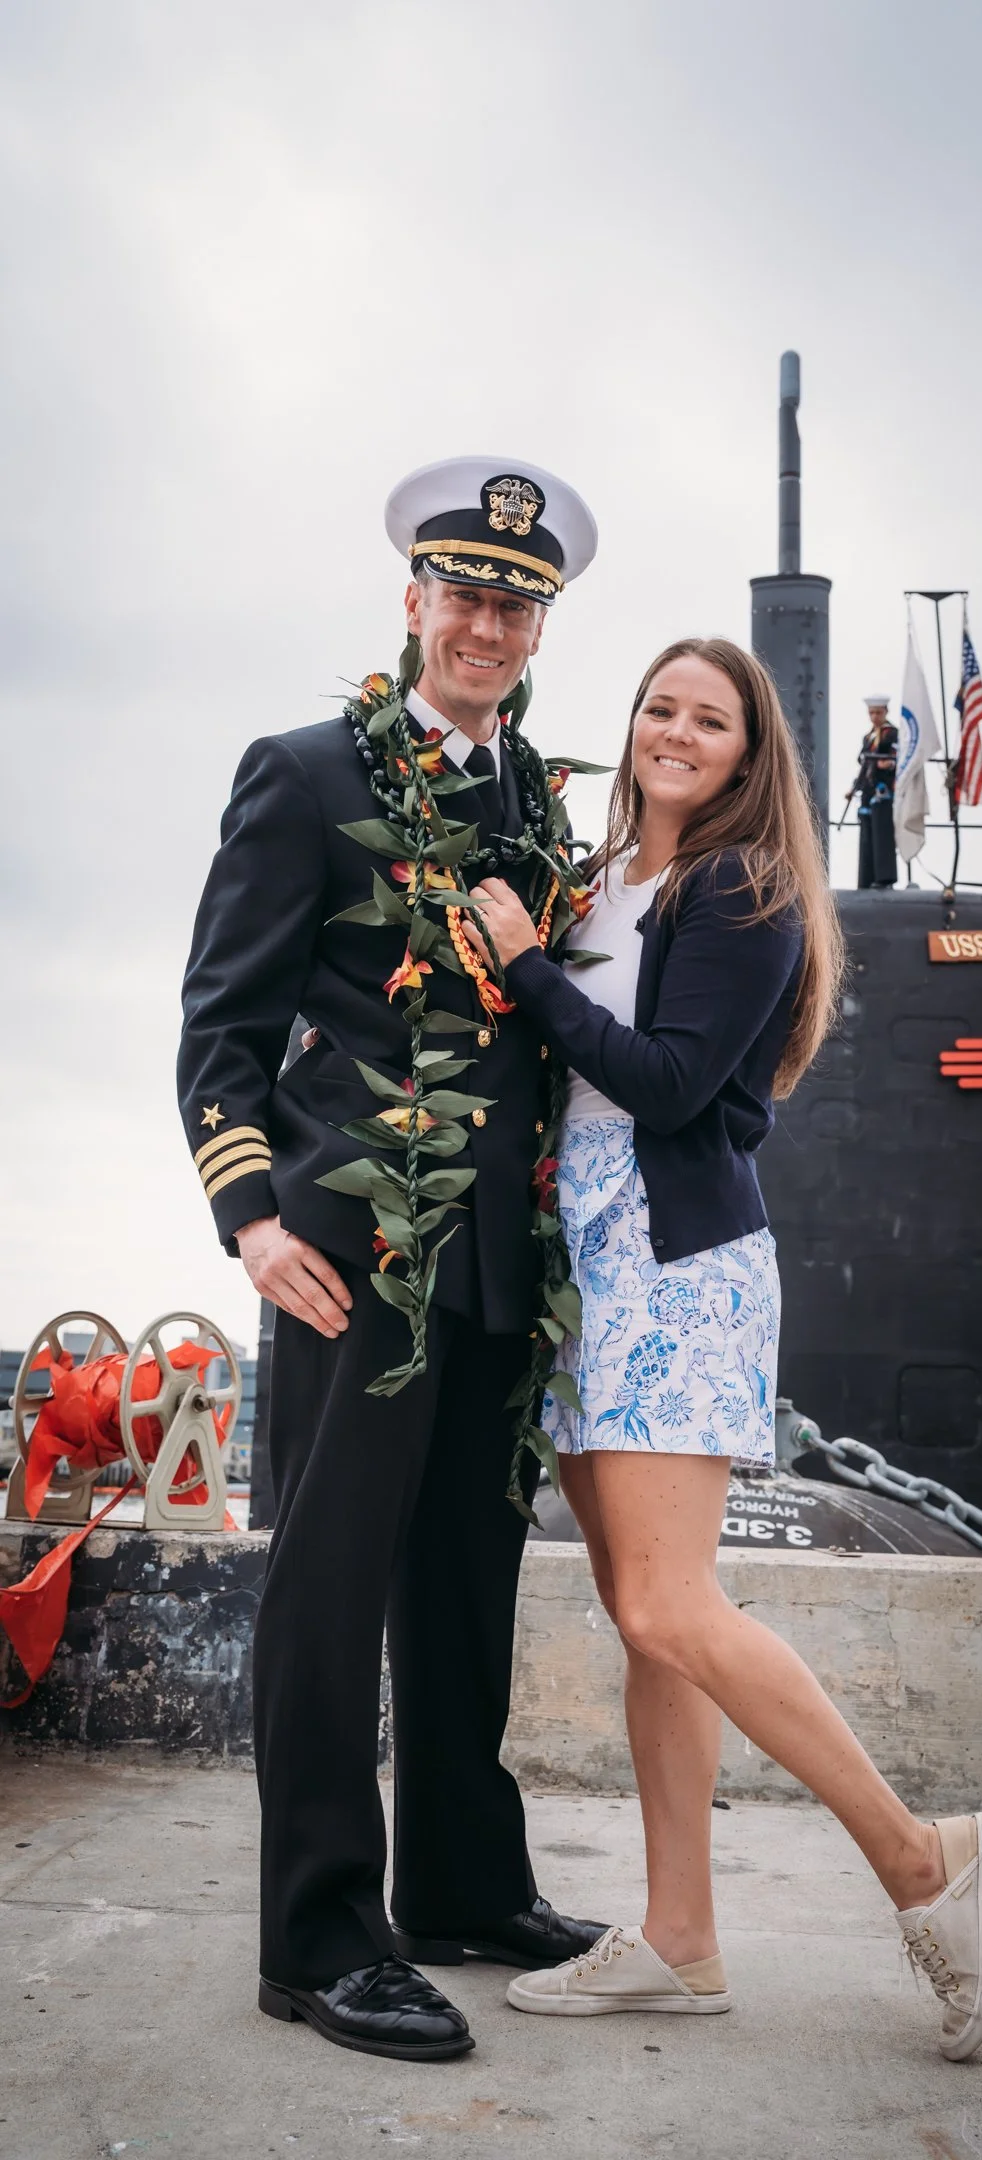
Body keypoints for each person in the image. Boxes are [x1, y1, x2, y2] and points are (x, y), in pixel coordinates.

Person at [463, 637, 982, 2060]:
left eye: (711, 719)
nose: (678, 733)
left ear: (751, 754)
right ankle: (682, 1939)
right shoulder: (605, 882)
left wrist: (524, 966)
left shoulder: (745, 889)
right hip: (587, 1258)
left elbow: (667, 1080)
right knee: (651, 1625)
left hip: (673, 1260)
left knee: (665, 1608)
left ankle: (918, 1856)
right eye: (660, 708)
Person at [177, 457, 610, 2062]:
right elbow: (219, 1023)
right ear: (413, 602)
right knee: (329, 1587)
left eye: (518, 601)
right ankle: (317, 1935)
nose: (488, 622)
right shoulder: (301, 774)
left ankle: (460, 1881)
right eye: (466, 592)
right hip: (353, 1253)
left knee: (463, 1582)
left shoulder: (537, 811)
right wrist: (252, 1213)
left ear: (540, 627)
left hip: (500, 1258)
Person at [853, 693, 899, 889]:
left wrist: (887, 763)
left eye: (878, 713)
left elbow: (897, 756)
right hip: (868, 790)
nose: (874, 717)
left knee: (882, 832)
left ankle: (884, 877)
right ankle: (866, 877)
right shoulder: (868, 737)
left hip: (883, 789)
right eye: (871, 713)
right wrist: (854, 788)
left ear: (885, 712)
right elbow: (864, 765)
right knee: (867, 834)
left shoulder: (891, 733)